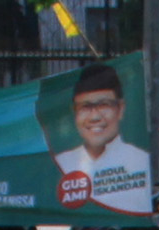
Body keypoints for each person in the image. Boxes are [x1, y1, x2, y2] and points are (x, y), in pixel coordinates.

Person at [51, 60, 150, 213]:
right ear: (74, 112)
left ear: (121, 109)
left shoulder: (139, 161)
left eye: (104, 105)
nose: (95, 116)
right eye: (85, 107)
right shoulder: (61, 165)